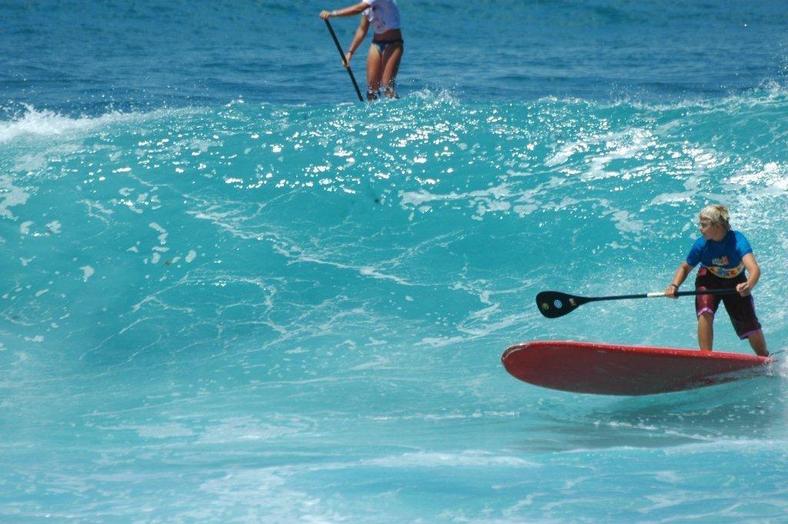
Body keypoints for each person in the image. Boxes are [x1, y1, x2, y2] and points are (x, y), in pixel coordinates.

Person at [666, 204, 768, 356]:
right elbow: (685, 268)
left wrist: (749, 284)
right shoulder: (701, 244)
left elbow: (754, 269)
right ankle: (706, 357)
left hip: (736, 283)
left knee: (749, 324)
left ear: (718, 226)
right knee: (705, 311)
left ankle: (764, 358)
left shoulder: (737, 241)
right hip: (708, 280)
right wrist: (674, 285)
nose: (700, 228)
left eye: (704, 225)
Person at [320, 0, 403, 100]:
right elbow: (362, 29)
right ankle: (374, 114)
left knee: (387, 87)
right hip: (376, 44)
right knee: (372, 90)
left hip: (393, 44)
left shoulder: (367, 3)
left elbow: (358, 8)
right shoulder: (367, 4)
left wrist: (332, 14)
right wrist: (350, 53)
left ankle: (397, 113)